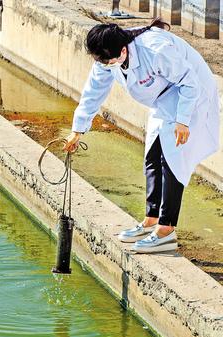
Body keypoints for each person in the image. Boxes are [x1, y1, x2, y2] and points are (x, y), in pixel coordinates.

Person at [64, 17, 220, 253]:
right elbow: (93, 92)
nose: (107, 66)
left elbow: (190, 82)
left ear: (123, 50)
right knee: (151, 156)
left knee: (172, 161)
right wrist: (78, 130)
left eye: (110, 61)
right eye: (102, 62)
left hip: (190, 95)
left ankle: (167, 230)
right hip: (163, 99)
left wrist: (183, 121)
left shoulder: (155, 50)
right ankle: (151, 220)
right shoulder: (107, 59)